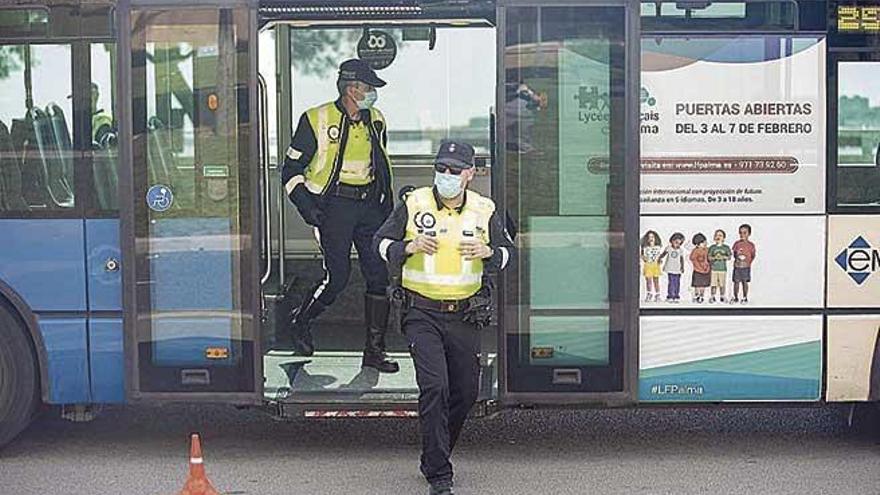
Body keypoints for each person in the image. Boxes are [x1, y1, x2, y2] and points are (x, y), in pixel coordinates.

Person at [374, 140, 515, 495]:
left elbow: (509, 253)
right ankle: (439, 472)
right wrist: (406, 247)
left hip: (465, 315)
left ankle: (433, 453)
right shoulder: (414, 203)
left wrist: (489, 252)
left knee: (466, 392)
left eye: (454, 170)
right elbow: (378, 243)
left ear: (469, 174)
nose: (446, 176)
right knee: (435, 387)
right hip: (421, 313)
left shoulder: (484, 210)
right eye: (441, 169)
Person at [280, 59, 398, 373]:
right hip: (333, 208)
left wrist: (386, 208)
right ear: (350, 88)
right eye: (368, 87)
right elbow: (290, 172)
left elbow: (380, 165)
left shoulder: (377, 120)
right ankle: (300, 320)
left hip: (370, 207)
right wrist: (307, 206)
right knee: (338, 277)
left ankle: (375, 351)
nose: (372, 93)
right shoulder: (315, 118)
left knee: (379, 276)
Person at [731, 223, 756, 304]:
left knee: (745, 282)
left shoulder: (751, 245)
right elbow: (734, 253)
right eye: (740, 233)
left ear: (749, 234)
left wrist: (747, 262)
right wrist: (738, 257)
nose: (742, 235)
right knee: (736, 282)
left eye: (744, 233)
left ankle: (745, 297)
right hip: (737, 266)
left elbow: (753, 255)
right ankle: (735, 297)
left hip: (746, 267)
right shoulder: (736, 243)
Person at [708, 229, 732, 304]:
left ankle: (722, 296)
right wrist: (714, 258)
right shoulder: (712, 247)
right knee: (713, 284)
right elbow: (709, 257)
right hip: (714, 269)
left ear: (724, 238)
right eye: (717, 235)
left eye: (720, 235)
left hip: (722, 269)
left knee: (722, 284)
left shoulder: (726, 247)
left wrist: (723, 257)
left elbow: (729, 257)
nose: (718, 237)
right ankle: (712, 296)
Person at [660, 232, 685, 303]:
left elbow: (681, 259)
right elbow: (663, 254)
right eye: (675, 241)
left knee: (677, 283)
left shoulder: (680, 250)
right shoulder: (669, 248)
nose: (677, 243)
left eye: (679, 242)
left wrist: (682, 267)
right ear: (672, 241)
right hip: (670, 268)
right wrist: (659, 258)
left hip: (677, 269)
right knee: (671, 282)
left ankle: (676, 296)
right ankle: (670, 296)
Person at [640, 230, 662, 302]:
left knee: (656, 280)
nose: (651, 238)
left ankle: (657, 294)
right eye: (649, 237)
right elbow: (642, 255)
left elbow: (659, 256)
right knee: (648, 280)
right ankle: (649, 293)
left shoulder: (658, 247)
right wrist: (643, 258)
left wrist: (660, 260)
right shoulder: (645, 247)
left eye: (652, 237)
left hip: (656, 265)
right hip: (648, 265)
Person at [690, 233, 710, 303]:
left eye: (705, 241)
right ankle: (696, 295)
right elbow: (693, 260)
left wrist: (707, 266)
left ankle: (701, 296)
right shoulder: (695, 251)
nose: (705, 243)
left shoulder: (707, 249)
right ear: (697, 244)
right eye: (702, 242)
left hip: (706, 270)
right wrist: (700, 267)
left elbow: (709, 258)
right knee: (697, 284)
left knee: (703, 285)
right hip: (698, 270)